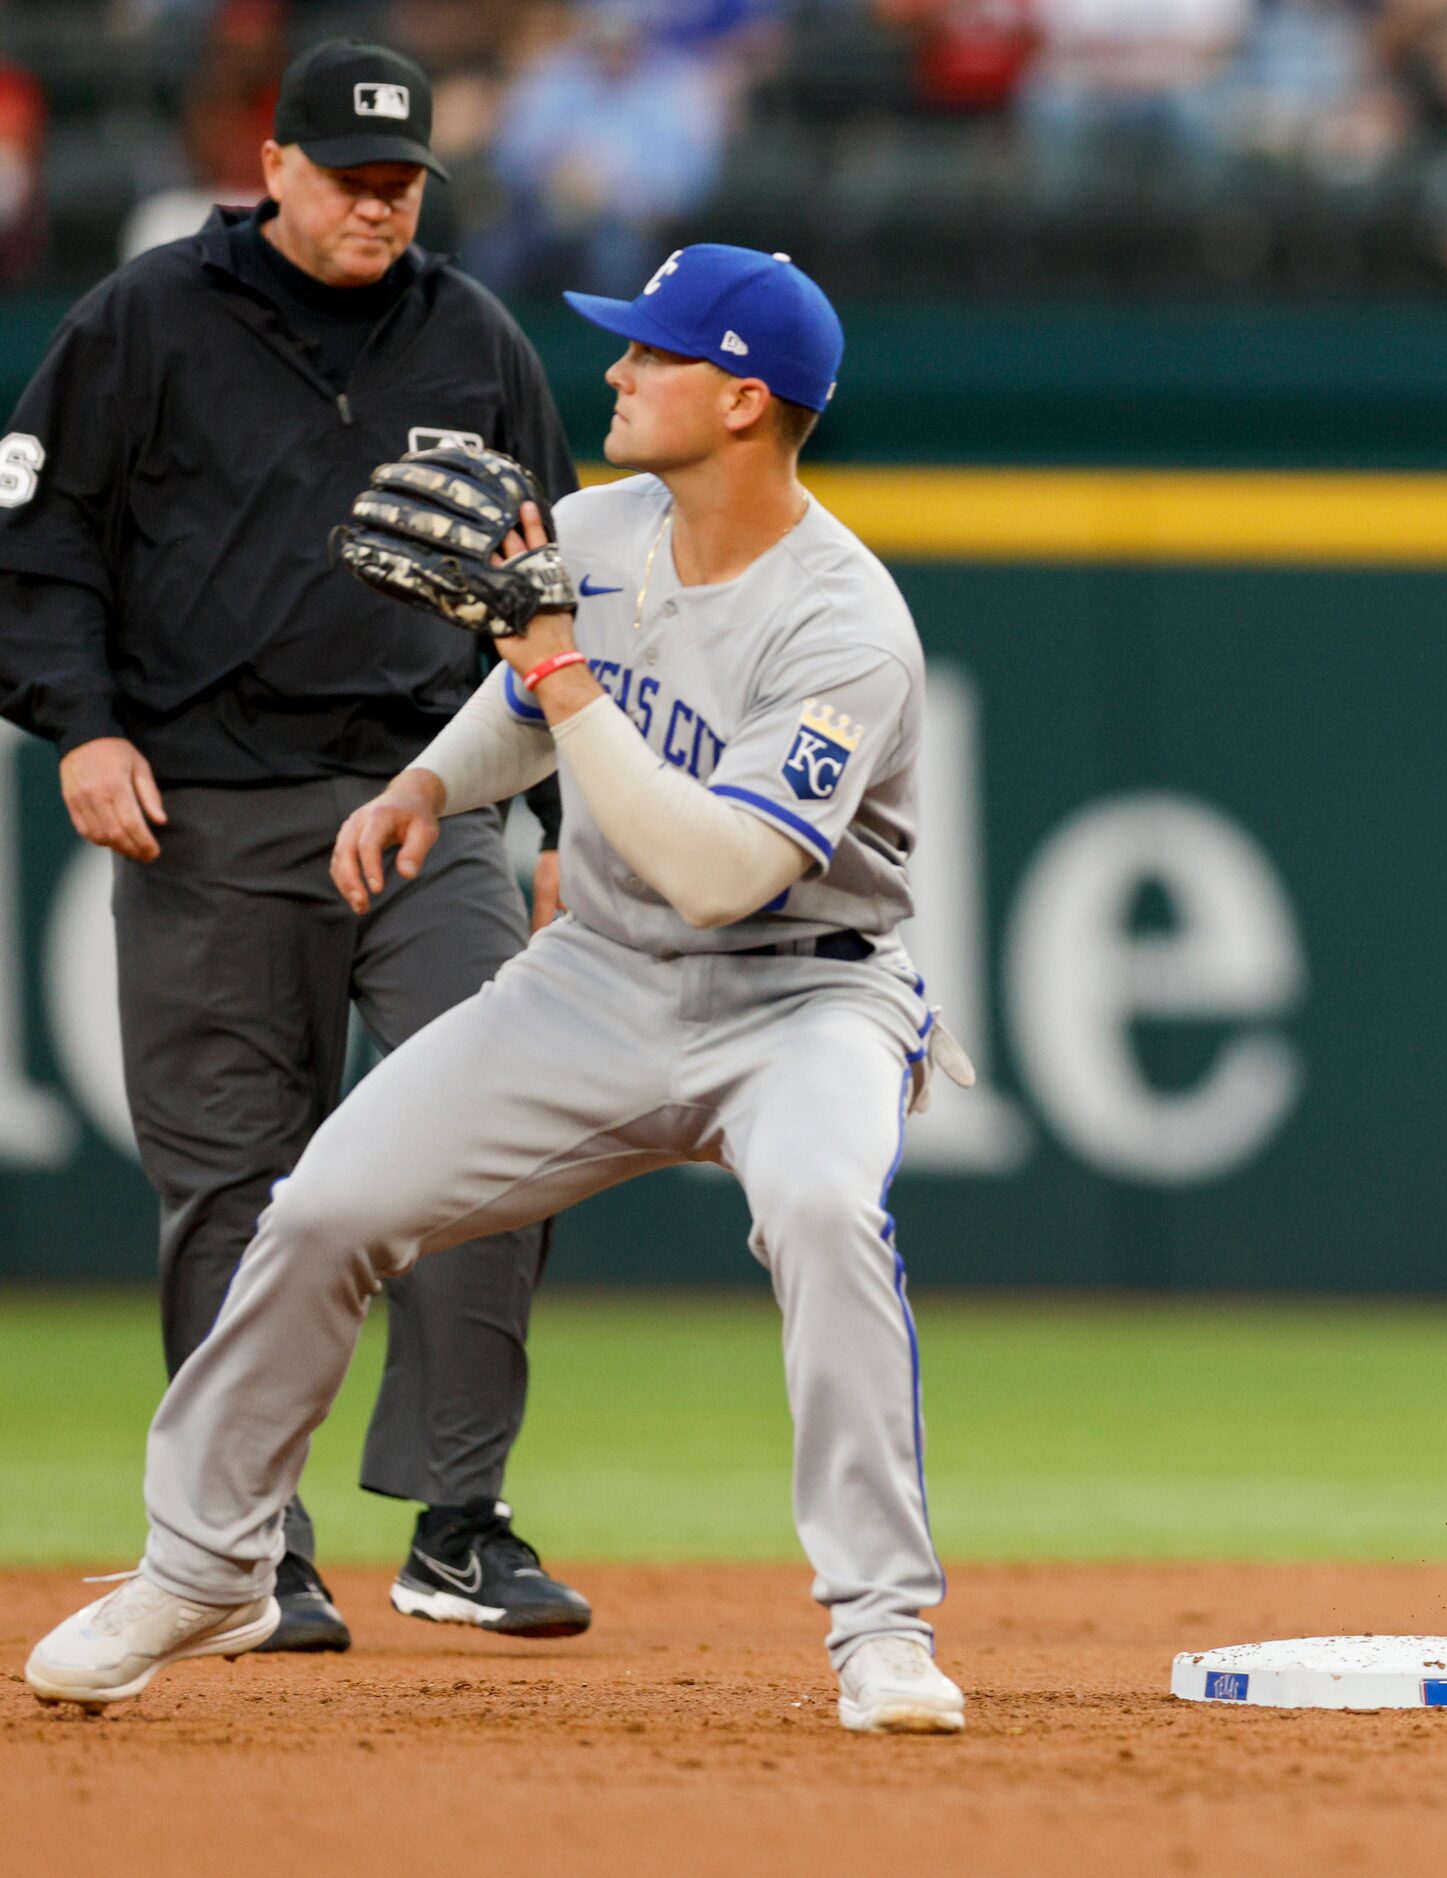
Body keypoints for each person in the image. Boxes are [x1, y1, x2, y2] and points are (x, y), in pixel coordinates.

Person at [23, 244, 976, 1736]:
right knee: (326, 1204)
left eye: (651, 354)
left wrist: (563, 679)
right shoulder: (600, 530)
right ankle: (205, 1565)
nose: (615, 372)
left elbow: (723, 871)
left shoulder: (845, 625)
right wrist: (428, 778)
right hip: (594, 978)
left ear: (741, 399)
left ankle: (883, 1628)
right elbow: (515, 706)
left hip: (806, 999)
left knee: (819, 1207)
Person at [0, 39, 589, 1650]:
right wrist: (84, 724)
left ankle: (459, 1524)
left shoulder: (472, 335)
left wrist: (553, 817)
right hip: (201, 806)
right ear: (277, 167)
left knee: (502, 1136)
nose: (380, 206)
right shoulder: (140, 322)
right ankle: (247, 1549)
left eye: (403, 183)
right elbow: (34, 541)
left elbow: (556, 596)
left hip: (428, 802)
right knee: (229, 1192)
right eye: (352, 178)